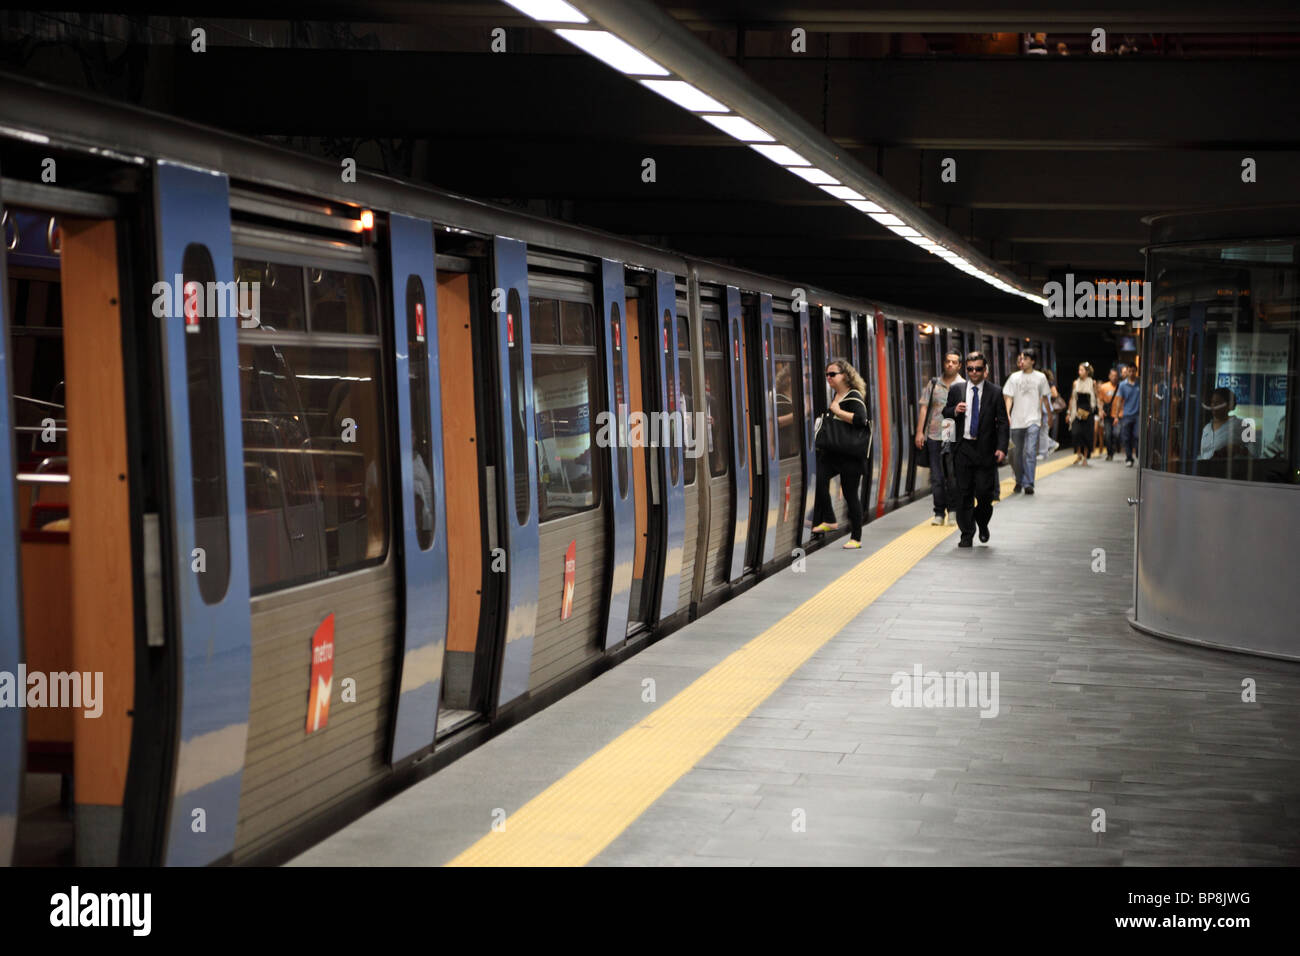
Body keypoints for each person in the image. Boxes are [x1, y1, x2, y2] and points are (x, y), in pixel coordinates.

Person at [942, 351, 1009, 548]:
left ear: (985, 371)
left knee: (984, 495)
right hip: (963, 448)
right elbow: (945, 414)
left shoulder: (995, 392)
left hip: (985, 450)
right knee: (963, 494)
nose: (974, 372)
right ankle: (967, 533)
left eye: (978, 369)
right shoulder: (956, 390)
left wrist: (1002, 448)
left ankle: (982, 522)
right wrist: (954, 411)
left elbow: (1003, 423)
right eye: (970, 369)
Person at [811, 359, 871, 550]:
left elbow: (861, 420)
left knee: (851, 495)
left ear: (844, 375)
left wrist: (837, 411)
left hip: (850, 455)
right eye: (827, 374)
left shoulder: (853, 397)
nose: (828, 378)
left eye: (832, 374)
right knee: (820, 479)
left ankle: (856, 537)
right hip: (835, 453)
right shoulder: (836, 394)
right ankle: (829, 519)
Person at [914, 349, 964, 525]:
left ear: (959, 365)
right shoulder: (934, 383)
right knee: (936, 476)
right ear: (944, 363)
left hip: (952, 433)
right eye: (947, 361)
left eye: (954, 362)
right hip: (934, 434)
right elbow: (924, 408)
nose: (950, 364)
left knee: (952, 474)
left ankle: (953, 511)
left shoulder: (963, 385)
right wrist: (920, 432)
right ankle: (938, 513)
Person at [1002, 349, 1050, 495]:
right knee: (1016, 454)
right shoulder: (1013, 378)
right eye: (1021, 359)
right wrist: (1007, 414)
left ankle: (1029, 483)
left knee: (1029, 452)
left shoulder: (1041, 377)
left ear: (1033, 361)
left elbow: (1044, 397)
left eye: (1026, 359)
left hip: (1033, 420)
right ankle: (1018, 481)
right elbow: (1008, 397)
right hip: (1017, 421)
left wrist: (1047, 416)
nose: (1022, 361)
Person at [1198, 387, 1259, 460]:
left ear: (1229, 405)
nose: (1213, 405)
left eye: (1218, 402)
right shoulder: (1207, 428)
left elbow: (1255, 452)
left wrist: (1238, 449)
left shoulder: (1243, 425)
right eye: (1212, 402)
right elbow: (1203, 455)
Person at [1067, 363, 1100, 465]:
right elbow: (1072, 398)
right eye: (1079, 370)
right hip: (1077, 411)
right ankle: (1078, 455)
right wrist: (1068, 412)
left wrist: (1100, 410)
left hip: (1088, 411)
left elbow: (1096, 396)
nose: (1079, 372)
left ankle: (1085, 457)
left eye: (1081, 370)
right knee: (1076, 433)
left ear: (1087, 371)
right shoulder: (1075, 383)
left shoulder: (1092, 383)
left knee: (1086, 434)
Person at [1117, 364, 1141, 466]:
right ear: (1127, 372)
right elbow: (1119, 400)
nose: (1131, 373)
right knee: (1126, 438)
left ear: (1136, 371)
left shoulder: (1140, 383)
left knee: (1137, 436)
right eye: (1129, 371)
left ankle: (1139, 455)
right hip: (1126, 414)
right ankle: (1129, 458)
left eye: (1133, 371)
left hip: (1138, 415)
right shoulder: (1122, 385)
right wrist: (1117, 415)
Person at [1097, 367, 1120, 460]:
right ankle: (1110, 453)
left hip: (1118, 415)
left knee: (1116, 434)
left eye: (1116, 376)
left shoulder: (1121, 387)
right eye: (1112, 375)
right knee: (1107, 435)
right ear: (1109, 376)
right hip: (1107, 414)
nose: (1114, 377)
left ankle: (1114, 448)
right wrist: (1100, 410)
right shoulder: (1104, 387)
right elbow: (1100, 400)